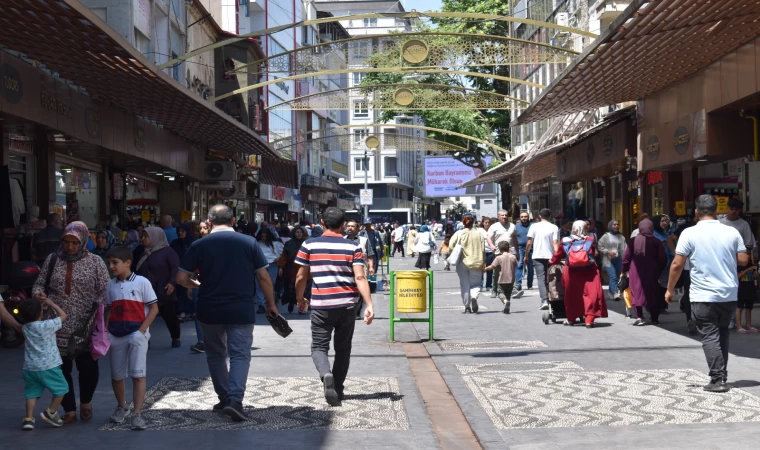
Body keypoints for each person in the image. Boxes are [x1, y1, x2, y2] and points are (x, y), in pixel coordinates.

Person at [177, 204, 278, 421]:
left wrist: (198, 285)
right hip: (240, 308)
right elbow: (263, 277)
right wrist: (271, 303)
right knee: (240, 354)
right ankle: (234, 399)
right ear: (233, 221)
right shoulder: (249, 242)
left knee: (215, 355)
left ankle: (224, 398)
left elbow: (181, 279)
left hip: (209, 308)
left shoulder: (199, 245)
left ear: (210, 222)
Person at [666, 194, 749, 393]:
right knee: (722, 334)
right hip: (728, 293)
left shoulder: (689, 233)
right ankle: (722, 374)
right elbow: (744, 260)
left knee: (710, 336)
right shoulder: (731, 232)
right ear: (716, 211)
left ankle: (718, 379)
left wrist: (670, 289)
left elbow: (677, 263)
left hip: (703, 294)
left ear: (696, 212)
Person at [294, 207, 374, 406]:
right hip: (348, 304)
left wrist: (300, 298)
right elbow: (360, 277)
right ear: (343, 225)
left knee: (319, 347)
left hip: (322, 305)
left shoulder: (309, 244)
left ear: (321, 222)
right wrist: (369, 304)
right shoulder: (353, 246)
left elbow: (301, 276)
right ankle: (337, 387)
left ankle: (326, 374)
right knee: (343, 348)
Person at [32, 221, 110, 424]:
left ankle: (85, 402)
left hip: (85, 325)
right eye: (66, 242)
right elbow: (40, 283)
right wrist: (39, 294)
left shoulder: (95, 262)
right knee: (60, 369)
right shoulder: (52, 260)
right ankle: (69, 409)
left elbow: (105, 291)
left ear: (83, 241)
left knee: (88, 367)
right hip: (55, 324)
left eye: (74, 243)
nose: (69, 247)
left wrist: (97, 315)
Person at [104, 246, 159, 431]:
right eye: (109, 262)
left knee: (138, 374)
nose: (111, 266)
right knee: (116, 375)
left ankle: (137, 413)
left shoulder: (142, 282)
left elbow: (154, 308)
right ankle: (122, 406)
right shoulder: (110, 285)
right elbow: (110, 309)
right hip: (116, 335)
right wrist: (106, 330)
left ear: (127, 263)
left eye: (115, 262)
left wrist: (141, 331)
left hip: (136, 334)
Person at [18, 296, 69, 430]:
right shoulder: (47, 325)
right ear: (41, 312)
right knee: (62, 389)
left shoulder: (24, 328)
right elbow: (64, 316)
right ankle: (50, 412)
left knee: (31, 394)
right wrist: (52, 304)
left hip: (30, 368)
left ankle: (28, 419)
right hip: (49, 366)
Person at [552, 220, 608, 328]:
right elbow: (592, 254)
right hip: (589, 272)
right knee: (591, 294)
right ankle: (589, 319)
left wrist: (551, 262)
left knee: (572, 295)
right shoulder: (590, 240)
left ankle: (571, 318)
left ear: (573, 228)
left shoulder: (565, 241)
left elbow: (557, 255)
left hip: (571, 272)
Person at [135, 227, 181, 348]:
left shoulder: (168, 251)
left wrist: (172, 283)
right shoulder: (141, 251)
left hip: (163, 290)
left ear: (155, 237)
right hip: (144, 291)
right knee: (144, 315)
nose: (143, 239)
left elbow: (175, 268)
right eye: (142, 236)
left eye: (146, 236)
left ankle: (175, 337)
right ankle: (145, 338)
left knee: (169, 315)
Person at [621, 219, 667, 326]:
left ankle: (639, 317)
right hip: (652, 272)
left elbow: (626, 258)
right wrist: (659, 269)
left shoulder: (633, 241)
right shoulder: (656, 241)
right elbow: (663, 258)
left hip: (635, 272)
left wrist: (624, 270)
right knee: (653, 293)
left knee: (636, 293)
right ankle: (654, 318)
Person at [720, 199, 756, 330]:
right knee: (725, 289)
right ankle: (727, 317)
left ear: (740, 210)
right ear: (727, 208)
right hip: (723, 261)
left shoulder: (743, 224)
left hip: (739, 261)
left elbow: (749, 245)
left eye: (736, 209)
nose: (734, 211)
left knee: (739, 291)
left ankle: (734, 319)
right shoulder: (720, 223)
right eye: (731, 208)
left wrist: (748, 262)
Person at [524, 209, 560, 310]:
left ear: (540, 216)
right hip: (550, 256)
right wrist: (557, 255)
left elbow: (529, 242)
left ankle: (544, 300)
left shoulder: (534, 226)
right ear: (550, 216)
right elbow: (555, 243)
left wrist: (526, 255)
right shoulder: (554, 227)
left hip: (537, 256)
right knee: (551, 278)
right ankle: (552, 298)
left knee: (541, 278)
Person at [449, 213, 485, 313]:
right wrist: (483, 263)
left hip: (462, 262)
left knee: (465, 284)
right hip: (477, 262)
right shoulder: (479, 234)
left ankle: (467, 306)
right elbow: (483, 250)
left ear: (463, 222)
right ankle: (474, 296)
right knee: (476, 284)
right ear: (473, 221)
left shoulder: (459, 233)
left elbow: (451, 245)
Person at [487, 210, 519, 299]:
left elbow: (515, 239)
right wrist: (491, 245)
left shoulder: (512, 226)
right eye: (502, 215)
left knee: (511, 271)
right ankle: (494, 289)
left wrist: (517, 251)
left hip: (510, 252)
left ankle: (514, 289)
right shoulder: (494, 226)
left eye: (506, 215)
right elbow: (489, 237)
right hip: (498, 252)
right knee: (496, 272)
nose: (504, 217)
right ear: (498, 216)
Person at [278, 226, 308, 313]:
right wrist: (281, 267)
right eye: (297, 232)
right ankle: (291, 302)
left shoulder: (305, 243)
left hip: (304, 268)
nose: (299, 234)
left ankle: (302, 307)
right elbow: (284, 256)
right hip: (291, 269)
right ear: (294, 233)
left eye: (300, 232)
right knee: (290, 289)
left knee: (304, 289)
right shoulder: (289, 243)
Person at [255, 227, 284, 314]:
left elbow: (283, 254)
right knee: (259, 284)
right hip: (260, 266)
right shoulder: (257, 243)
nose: (264, 238)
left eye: (265, 236)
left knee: (270, 283)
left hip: (272, 264)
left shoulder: (276, 244)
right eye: (262, 236)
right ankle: (261, 304)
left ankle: (269, 302)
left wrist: (279, 261)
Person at [483, 241, 517, 314]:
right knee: (508, 294)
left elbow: (492, 266)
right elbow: (515, 266)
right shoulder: (513, 257)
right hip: (511, 279)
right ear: (509, 248)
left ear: (500, 249)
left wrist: (485, 269)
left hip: (502, 279)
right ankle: (507, 307)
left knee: (500, 292)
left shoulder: (498, 258)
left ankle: (505, 302)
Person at [171, 224, 195, 322]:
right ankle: (182, 311)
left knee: (191, 290)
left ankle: (193, 311)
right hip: (180, 270)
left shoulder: (193, 243)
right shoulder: (175, 243)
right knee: (181, 291)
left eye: (182, 231)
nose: (180, 233)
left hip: (192, 270)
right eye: (179, 231)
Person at [598, 220, 627, 301]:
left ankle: (611, 293)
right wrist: (608, 252)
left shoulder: (621, 237)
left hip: (618, 259)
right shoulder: (605, 236)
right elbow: (600, 246)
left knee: (616, 276)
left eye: (618, 224)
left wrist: (626, 259)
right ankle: (615, 293)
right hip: (608, 260)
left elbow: (625, 249)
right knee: (613, 276)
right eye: (614, 225)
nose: (616, 226)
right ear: (610, 226)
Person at [513, 211, 534, 298]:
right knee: (519, 265)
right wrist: (516, 250)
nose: (524, 218)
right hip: (520, 248)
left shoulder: (533, 226)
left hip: (532, 249)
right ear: (520, 218)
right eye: (522, 217)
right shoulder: (516, 227)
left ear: (528, 217)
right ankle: (518, 284)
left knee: (531, 267)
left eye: (525, 217)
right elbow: (514, 238)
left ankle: (530, 284)